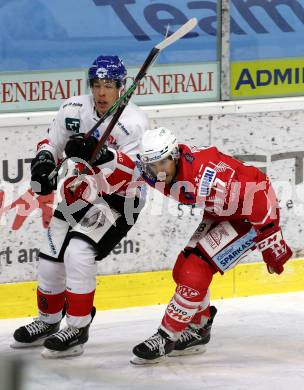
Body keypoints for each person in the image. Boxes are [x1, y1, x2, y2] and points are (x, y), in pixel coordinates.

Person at [64, 127, 292, 364]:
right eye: (152, 165)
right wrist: (100, 155)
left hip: (249, 218)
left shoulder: (207, 177)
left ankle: (167, 336)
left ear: (174, 156)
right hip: (222, 211)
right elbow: (129, 169)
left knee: (196, 270)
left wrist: (271, 239)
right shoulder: (153, 168)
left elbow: (259, 193)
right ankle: (199, 328)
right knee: (182, 270)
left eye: (162, 163)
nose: (158, 172)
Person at [11, 55, 149, 358]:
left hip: (119, 199)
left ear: (121, 87)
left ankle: (78, 326)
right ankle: (48, 321)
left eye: (109, 86)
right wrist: (45, 160)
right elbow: (50, 142)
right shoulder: (72, 109)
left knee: (78, 251)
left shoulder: (134, 122)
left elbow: (139, 172)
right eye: (96, 85)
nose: (101, 93)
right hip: (81, 194)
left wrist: (106, 157)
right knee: (51, 252)